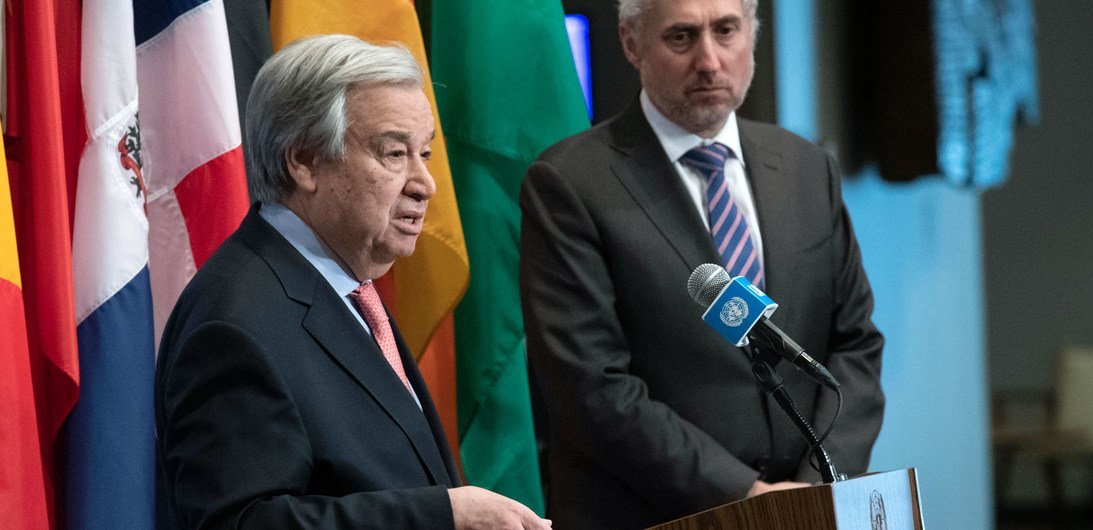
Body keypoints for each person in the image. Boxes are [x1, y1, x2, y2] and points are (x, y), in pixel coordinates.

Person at [155, 35, 549, 530]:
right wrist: (442, 515)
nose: (424, 183)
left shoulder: (346, 289)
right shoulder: (235, 324)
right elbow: (241, 523)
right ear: (304, 161)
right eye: (393, 153)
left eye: (424, 153)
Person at [519, 0, 885, 528]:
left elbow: (855, 345)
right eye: (682, 37)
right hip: (654, 513)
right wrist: (745, 495)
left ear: (751, 35)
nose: (710, 60)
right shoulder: (569, 183)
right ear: (630, 43)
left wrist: (809, 491)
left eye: (726, 30)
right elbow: (592, 387)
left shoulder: (806, 166)